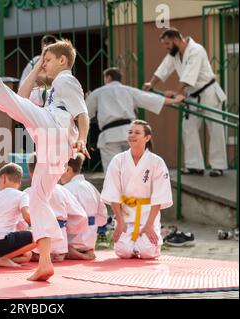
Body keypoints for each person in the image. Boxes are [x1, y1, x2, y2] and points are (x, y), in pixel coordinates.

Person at [0, 38, 90, 281]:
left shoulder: (66, 79)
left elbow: (83, 114)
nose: (43, 64)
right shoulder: (49, 92)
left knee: (4, 98)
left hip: (55, 128)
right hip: (51, 142)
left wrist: (83, 139)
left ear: (63, 60)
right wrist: (38, 67)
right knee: (37, 199)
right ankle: (45, 262)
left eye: (47, 60)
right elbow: (21, 96)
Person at [144, 28, 228, 177]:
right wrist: (151, 83)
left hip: (208, 93)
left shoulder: (196, 50)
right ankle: (194, 165)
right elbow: (163, 69)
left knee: (215, 128)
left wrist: (176, 94)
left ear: (176, 40)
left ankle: (218, 166)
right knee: (188, 127)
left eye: (167, 43)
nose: (166, 47)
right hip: (191, 95)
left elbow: (189, 76)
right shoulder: (174, 54)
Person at [87, 67, 185, 173]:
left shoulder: (98, 92)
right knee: (135, 169)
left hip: (109, 136)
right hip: (130, 132)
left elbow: (86, 112)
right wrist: (175, 100)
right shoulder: (128, 90)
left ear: (108, 77)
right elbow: (150, 99)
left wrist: (87, 98)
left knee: (113, 172)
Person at [101, 120, 173, 259]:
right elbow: (113, 192)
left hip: (147, 214)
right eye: (130, 132)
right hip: (125, 214)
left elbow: (160, 195)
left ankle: (148, 242)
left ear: (147, 137)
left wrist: (150, 225)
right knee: (123, 252)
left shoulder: (156, 162)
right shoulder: (118, 160)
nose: (132, 135)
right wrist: (120, 222)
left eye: (137, 133)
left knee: (148, 252)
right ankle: (133, 245)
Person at [26, 154, 87, 262]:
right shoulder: (62, 190)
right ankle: (63, 252)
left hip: (37, 247)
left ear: (31, 174)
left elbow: (21, 221)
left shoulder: (27, 193)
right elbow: (81, 217)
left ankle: (42, 256)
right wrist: (66, 228)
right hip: (60, 246)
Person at [0, 163, 35, 268]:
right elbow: (27, 216)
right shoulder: (22, 195)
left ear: (4, 178)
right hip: (2, 241)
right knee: (41, 234)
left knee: (27, 256)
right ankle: (4, 259)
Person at [60, 153, 107, 260]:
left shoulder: (66, 190)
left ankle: (73, 252)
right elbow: (103, 218)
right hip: (89, 242)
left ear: (68, 169)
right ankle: (87, 251)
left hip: (71, 242)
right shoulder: (91, 187)